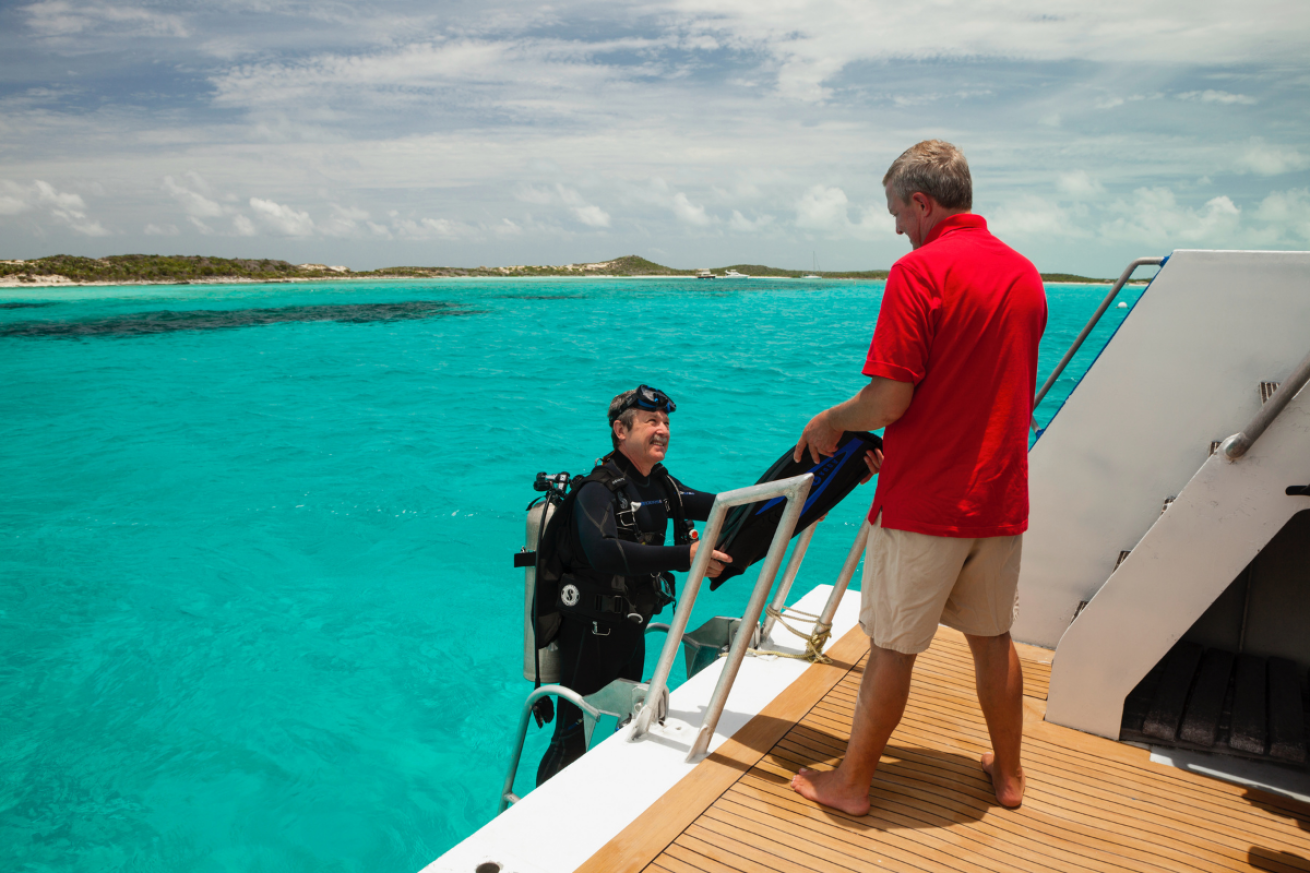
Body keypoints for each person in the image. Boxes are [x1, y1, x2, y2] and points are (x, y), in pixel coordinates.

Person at [789, 140, 1047, 812]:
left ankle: (850, 783)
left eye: (898, 212)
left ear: (923, 203)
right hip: (1000, 499)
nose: (897, 227)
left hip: (927, 502)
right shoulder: (1025, 274)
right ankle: (1010, 775)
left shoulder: (919, 272)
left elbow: (890, 398)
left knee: (892, 647)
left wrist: (830, 422)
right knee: (993, 641)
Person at [536, 385, 731, 785]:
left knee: (629, 724)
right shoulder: (596, 490)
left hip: (631, 628)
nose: (663, 430)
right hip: (589, 634)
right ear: (620, 431)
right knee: (572, 736)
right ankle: (534, 824)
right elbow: (602, 553)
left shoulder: (663, 485)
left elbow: (720, 506)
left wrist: (799, 494)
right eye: (651, 422)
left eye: (666, 422)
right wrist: (685, 557)